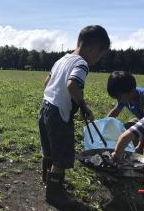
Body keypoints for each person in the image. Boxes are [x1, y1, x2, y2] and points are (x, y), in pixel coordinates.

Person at [38, 25, 110, 209]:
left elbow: (47, 82)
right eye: (100, 54)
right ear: (94, 48)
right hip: (59, 113)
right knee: (61, 155)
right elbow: (72, 85)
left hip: (45, 107)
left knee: (49, 150)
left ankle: (48, 181)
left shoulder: (62, 60)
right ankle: (55, 195)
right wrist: (83, 105)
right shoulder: (81, 64)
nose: (97, 59)